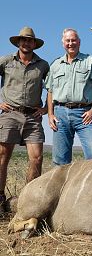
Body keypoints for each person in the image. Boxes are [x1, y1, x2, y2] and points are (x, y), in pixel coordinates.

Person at [0, 27, 49, 214]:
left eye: (29, 40)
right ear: (18, 43)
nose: (26, 43)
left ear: (34, 44)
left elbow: (53, 88)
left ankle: (28, 202)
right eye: (23, 40)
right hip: (10, 113)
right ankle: (0, 199)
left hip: (33, 117)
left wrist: (45, 109)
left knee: (37, 158)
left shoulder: (43, 65)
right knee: (2, 157)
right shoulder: (6, 61)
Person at [45, 28, 92, 165]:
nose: (71, 43)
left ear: (79, 42)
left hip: (85, 114)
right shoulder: (55, 64)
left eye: (73, 40)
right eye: (68, 40)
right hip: (60, 114)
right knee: (60, 160)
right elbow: (50, 91)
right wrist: (50, 114)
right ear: (63, 43)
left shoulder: (90, 61)